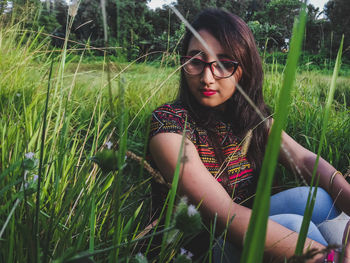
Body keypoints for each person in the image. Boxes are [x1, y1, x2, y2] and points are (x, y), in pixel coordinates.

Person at [148, 8, 350, 263]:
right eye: (196, 61)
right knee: (294, 226)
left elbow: (303, 160)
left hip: (245, 223)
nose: (207, 77)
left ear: (244, 68)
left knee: (319, 199)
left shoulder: (251, 118)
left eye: (224, 64)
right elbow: (226, 215)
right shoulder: (169, 126)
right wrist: (331, 257)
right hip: (196, 248)